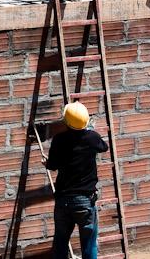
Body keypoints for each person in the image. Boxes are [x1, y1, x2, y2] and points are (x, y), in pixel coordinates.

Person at [45, 101, 109, 259]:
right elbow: (104, 147)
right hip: (85, 202)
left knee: (60, 243)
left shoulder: (59, 140)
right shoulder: (92, 138)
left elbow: (52, 165)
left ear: (66, 121)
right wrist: (90, 130)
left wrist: (47, 162)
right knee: (89, 244)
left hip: (63, 200)